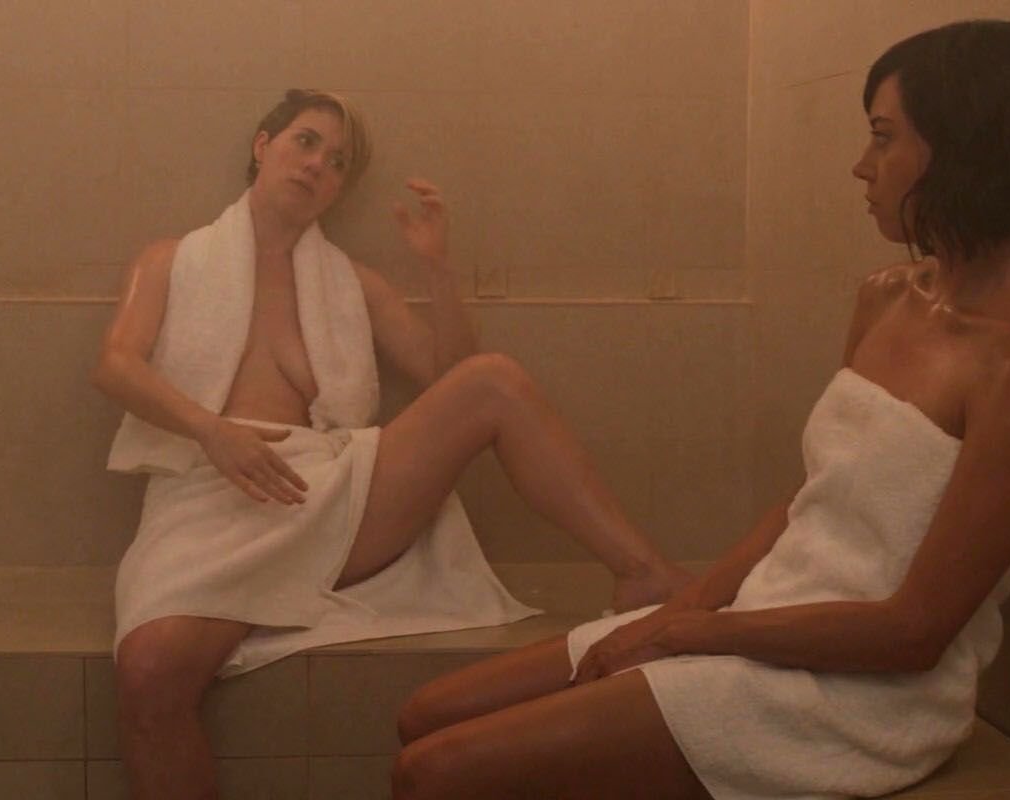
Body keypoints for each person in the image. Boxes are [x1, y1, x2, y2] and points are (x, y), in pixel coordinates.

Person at [391, 20, 1010, 799]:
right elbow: (807, 499)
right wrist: (680, 607)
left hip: (858, 694)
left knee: (433, 774)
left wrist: (694, 633)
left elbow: (914, 632)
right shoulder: (886, 298)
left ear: (960, 146)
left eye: (884, 138)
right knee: (425, 715)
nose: (862, 166)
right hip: (765, 621)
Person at [90, 89, 691, 799]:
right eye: (306, 142)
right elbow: (115, 365)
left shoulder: (352, 283)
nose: (318, 165)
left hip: (325, 490)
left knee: (494, 381)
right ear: (263, 145)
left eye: (338, 162)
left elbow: (453, 378)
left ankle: (644, 572)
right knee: (148, 674)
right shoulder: (172, 260)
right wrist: (211, 431)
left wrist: (436, 267)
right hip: (207, 490)